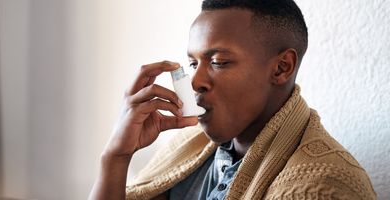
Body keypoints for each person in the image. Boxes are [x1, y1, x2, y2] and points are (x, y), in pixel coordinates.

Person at [89, 0, 376, 199]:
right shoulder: (187, 149)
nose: (195, 81)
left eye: (218, 62)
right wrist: (115, 158)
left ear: (281, 68)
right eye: (193, 63)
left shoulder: (323, 186)